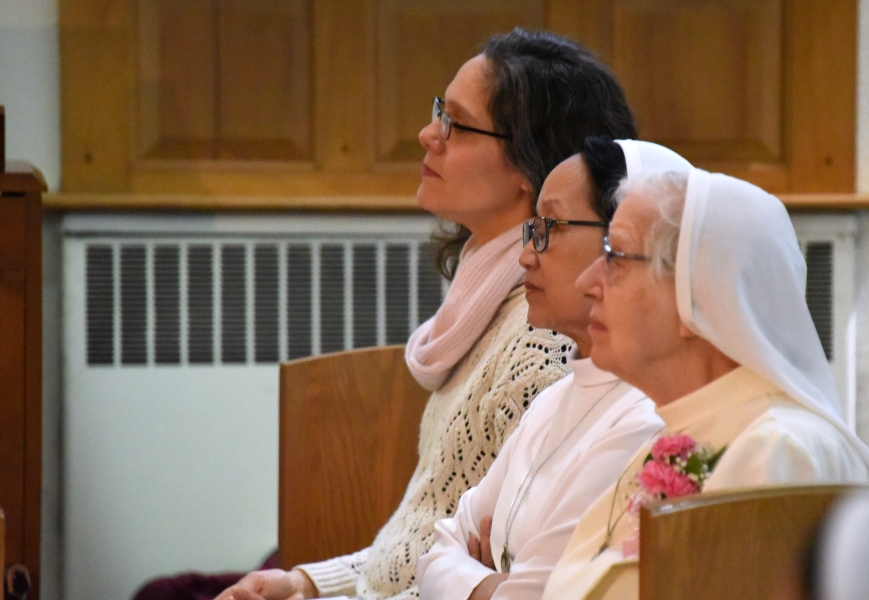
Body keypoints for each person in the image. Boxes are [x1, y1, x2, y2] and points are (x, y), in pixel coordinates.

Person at [210, 28, 638, 600]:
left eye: (455, 124)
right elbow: (429, 535)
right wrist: (308, 583)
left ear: (528, 163)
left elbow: (478, 574)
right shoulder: (489, 305)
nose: (427, 134)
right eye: (441, 113)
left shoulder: (543, 341)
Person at [542, 168, 869, 600]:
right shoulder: (682, 431)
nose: (587, 283)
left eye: (616, 255)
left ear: (699, 294)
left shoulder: (779, 451)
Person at [415, 138, 691, 600]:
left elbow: (531, 597)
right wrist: (487, 584)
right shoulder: (551, 398)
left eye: (549, 227)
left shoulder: (646, 417)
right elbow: (439, 546)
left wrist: (476, 582)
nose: (526, 255)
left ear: (625, 238)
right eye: (532, 228)